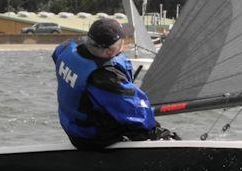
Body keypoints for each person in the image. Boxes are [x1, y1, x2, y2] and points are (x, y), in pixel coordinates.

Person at [52, 18, 179, 149]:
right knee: (143, 126)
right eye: (122, 41)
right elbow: (137, 114)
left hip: (71, 125)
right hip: (90, 138)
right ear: (110, 52)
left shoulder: (68, 48)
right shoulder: (105, 78)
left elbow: (56, 55)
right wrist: (156, 131)